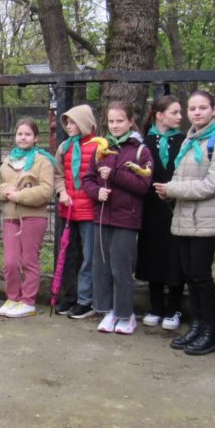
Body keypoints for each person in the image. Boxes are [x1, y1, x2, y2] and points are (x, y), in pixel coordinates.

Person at [154, 90, 215, 355]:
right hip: (185, 218)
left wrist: (174, 190)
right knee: (190, 274)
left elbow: (213, 185)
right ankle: (197, 326)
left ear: (214, 111)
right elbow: (179, 175)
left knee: (201, 276)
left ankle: (210, 332)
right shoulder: (190, 140)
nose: (196, 113)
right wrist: (168, 189)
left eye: (202, 108)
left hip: (207, 220)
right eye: (192, 108)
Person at [82, 102, 153, 335]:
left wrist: (114, 175)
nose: (115, 125)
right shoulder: (101, 148)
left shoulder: (140, 151)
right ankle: (108, 311)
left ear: (130, 121)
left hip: (126, 218)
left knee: (121, 268)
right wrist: (96, 192)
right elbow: (88, 180)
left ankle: (126, 314)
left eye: (120, 121)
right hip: (102, 216)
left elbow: (143, 186)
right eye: (111, 121)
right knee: (101, 266)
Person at [0, 118, 56, 318]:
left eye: (27, 134)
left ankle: (28, 301)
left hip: (33, 217)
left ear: (36, 138)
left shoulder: (42, 160)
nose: (23, 137)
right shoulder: (8, 160)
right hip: (10, 217)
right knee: (10, 262)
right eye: (20, 134)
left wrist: (20, 196)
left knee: (29, 260)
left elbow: (47, 190)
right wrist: (6, 191)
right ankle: (13, 297)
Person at [136, 96, 185, 331]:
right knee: (153, 256)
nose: (179, 117)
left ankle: (173, 308)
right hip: (151, 209)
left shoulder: (184, 141)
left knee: (174, 257)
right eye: (174, 112)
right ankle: (155, 307)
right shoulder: (144, 143)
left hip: (177, 207)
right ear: (159, 114)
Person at [52, 104, 102, 319]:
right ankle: (69, 296)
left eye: (73, 122)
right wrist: (62, 192)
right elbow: (58, 174)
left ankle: (86, 300)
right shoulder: (64, 147)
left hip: (90, 212)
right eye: (67, 122)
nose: (69, 126)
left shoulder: (99, 146)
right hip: (68, 210)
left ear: (84, 122)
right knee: (68, 256)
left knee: (88, 257)